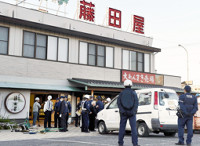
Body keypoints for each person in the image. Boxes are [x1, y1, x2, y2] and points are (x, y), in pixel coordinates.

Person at [117, 79, 139, 146]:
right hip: (132, 113)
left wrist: (122, 111)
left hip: (123, 113)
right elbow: (136, 103)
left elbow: (119, 103)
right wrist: (133, 111)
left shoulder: (121, 93)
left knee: (122, 128)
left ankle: (120, 143)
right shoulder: (133, 93)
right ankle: (135, 144)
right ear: (131, 85)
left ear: (124, 85)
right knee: (133, 129)